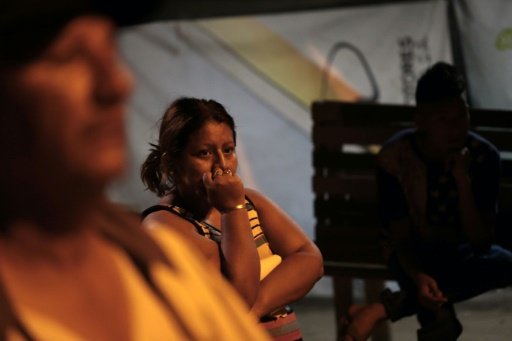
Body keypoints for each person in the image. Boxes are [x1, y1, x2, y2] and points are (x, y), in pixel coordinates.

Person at [0, 1, 272, 340]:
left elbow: (309, 259)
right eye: (67, 56)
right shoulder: (168, 235)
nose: (116, 84)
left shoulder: (164, 267)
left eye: (111, 53)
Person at [341, 62, 512, 341]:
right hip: (410, 249)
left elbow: (481, 242)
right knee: (440, 321)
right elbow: (400, 236)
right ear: (420, 120)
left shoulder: (482, 158)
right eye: (442, 120)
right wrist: (418, 276)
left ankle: (380, 309)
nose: (456, 129)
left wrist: (462, 180)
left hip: (460, 251)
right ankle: (386, 306)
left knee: (505, 264)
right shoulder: (395, 160)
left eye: (461, 116)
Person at [140, 97, 324, 340]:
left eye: (228, 150)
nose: (222, 166)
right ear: (172, 163)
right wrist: (232, 209)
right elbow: (240, 294)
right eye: (204, 153)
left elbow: (311, 260)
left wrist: (253, 310)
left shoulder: (251, 202)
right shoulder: (164, 225)